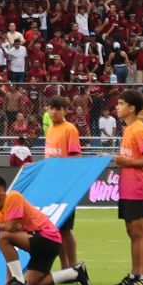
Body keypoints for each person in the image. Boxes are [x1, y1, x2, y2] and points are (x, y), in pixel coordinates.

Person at [0, 175, 86, 285]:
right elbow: (8, 249)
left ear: (0, 190)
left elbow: (12, 228)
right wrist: (8, 280)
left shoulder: (13, 197)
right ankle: (75, 273)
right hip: (40, 244)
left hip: (48, 238)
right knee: (33, 284)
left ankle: (18, 281)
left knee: (3, 237)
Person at [111, 88, 143, 285]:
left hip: (138, 186)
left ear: (131, 108)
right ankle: (134, 273)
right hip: (128, 187)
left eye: (121, 104)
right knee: (132, 231)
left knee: (140, 231)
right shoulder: (128, 129)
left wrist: (125, 161)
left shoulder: (139, 129)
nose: (117, 107)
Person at [43, 96, 82, 269]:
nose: (54, 112)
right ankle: (65, 267)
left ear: (66, 111)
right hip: (51, 185)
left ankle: (74, 267)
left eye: (58, 109)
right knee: (55, 228)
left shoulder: (70, 129)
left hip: (65, 186)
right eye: (51, 108)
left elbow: (76, 156)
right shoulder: (50, 129)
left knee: (65, 229)